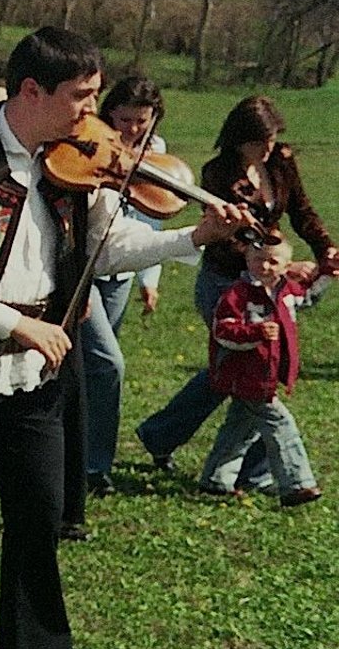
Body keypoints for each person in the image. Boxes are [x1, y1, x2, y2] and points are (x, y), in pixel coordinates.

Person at [0, 26, 251, 649]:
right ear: (33, 92)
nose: (93, 117)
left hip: (39, 368)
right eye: (81, 99)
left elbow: (108, 249)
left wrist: (194, 236)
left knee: (39, 518)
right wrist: (16, 323)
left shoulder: (73, 170)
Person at [138, 96, 339, 477]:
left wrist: (325, 247)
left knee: (231, 372)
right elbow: (223, 238)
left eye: (273, 137)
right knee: (249, 372)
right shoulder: (218, 173)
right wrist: (273, 260)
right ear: (237, 139)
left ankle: (163, 437)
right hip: (224, 284)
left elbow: (302, 209)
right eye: (259, 140)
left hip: (265, 282)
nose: (268, 147)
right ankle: (256, 471)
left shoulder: (280, 161)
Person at [80, 76, 170, 496]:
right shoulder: (89, 144)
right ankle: (95, 464)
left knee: (91, 372)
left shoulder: (159, 155)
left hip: (123, 273)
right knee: (109, 364)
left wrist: (150, 278)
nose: (133, 129)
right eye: (125, 119)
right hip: (86, 269)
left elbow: (151, 217)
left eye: (142, 122)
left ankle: (84, 458)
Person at [197, 230, 325, 506]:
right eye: (257, 260)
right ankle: (296, 484)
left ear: (286, 265)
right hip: (245, 374)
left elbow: (307, 297)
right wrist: (254, 333)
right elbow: (222, 331)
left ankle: (216, 479)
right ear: (247, 259)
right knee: (280, 423)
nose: (264, 267)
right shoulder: (238, 294)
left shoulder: (286, 291)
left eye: (272, 261)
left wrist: (326, 272)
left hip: (267, 374)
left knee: (241, 427)